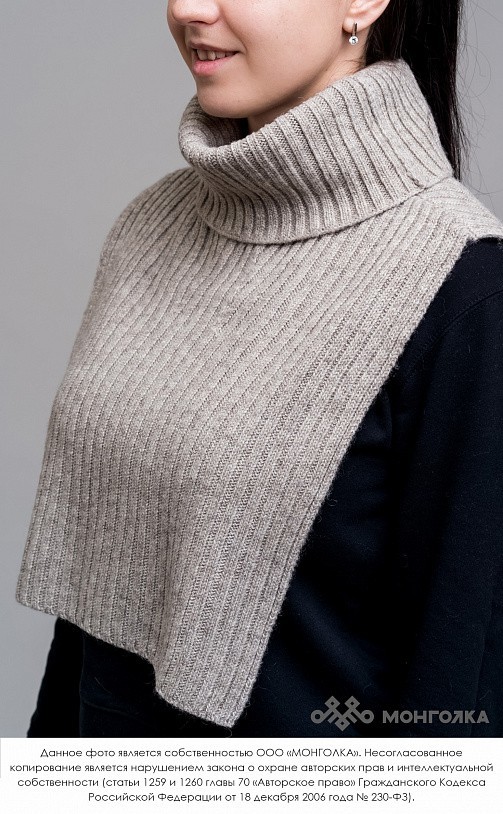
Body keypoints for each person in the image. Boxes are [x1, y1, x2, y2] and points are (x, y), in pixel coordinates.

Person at [17, 0, 503, 738]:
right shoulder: (152, 226)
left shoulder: (466, 292)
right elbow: (90, 622)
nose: (188, 8)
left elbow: (462, 688)